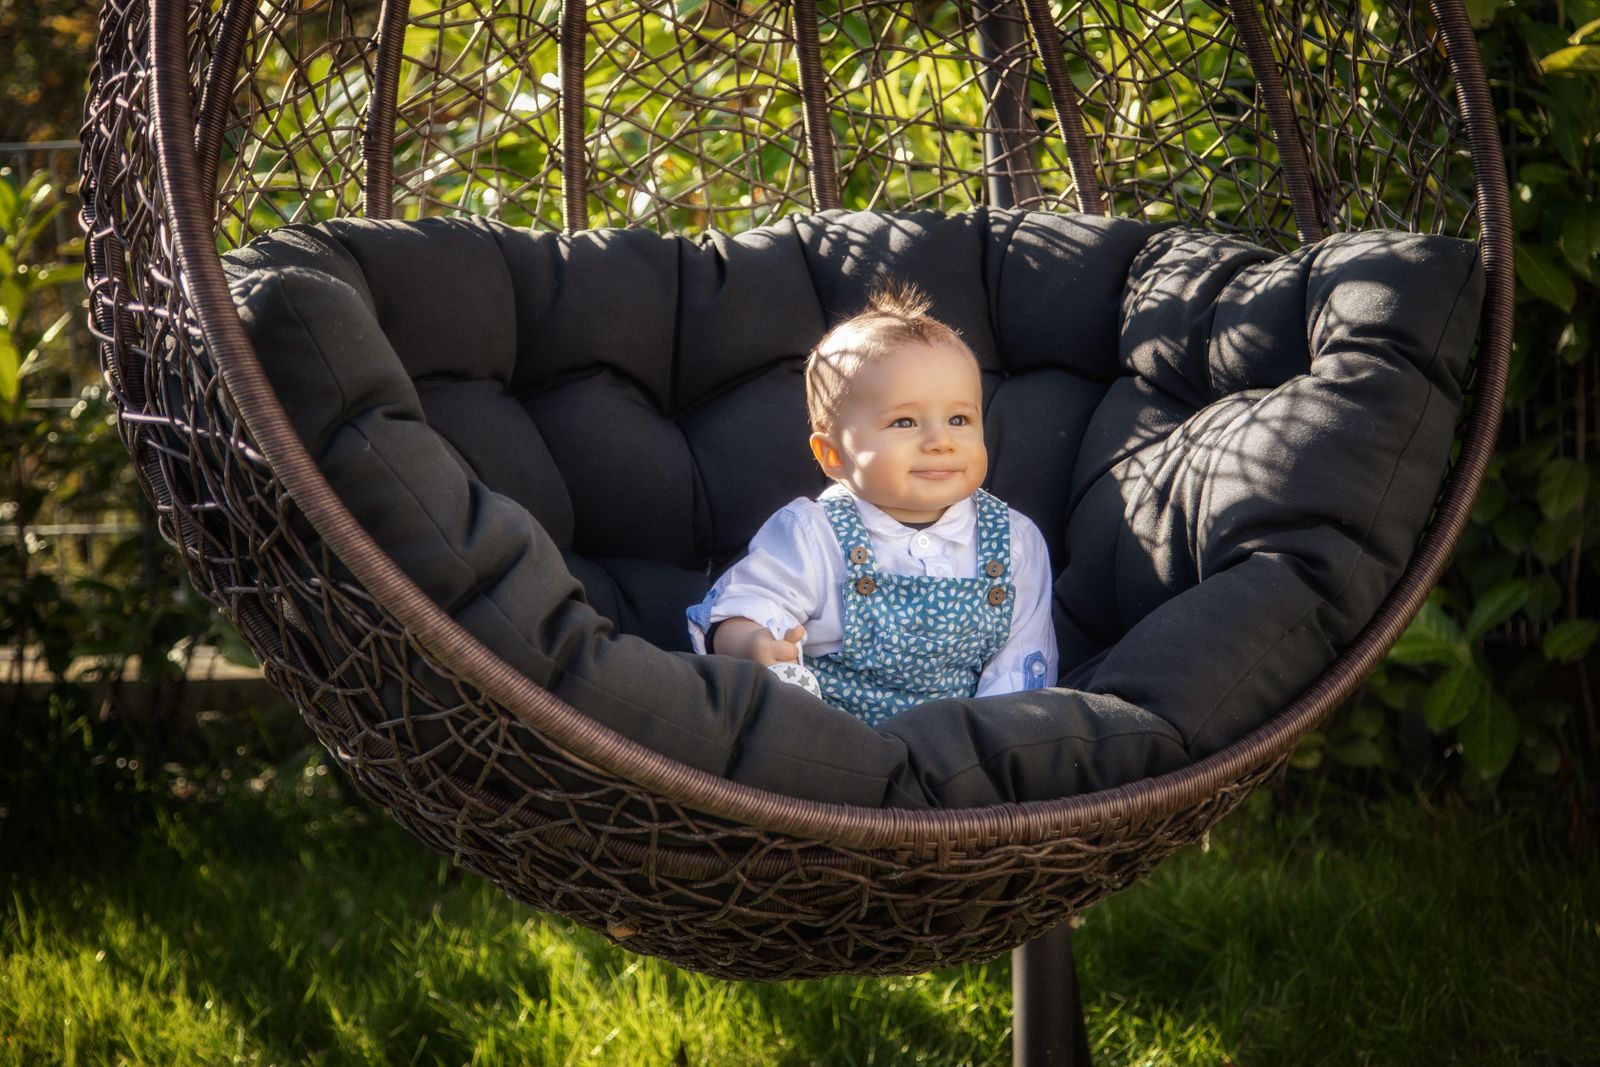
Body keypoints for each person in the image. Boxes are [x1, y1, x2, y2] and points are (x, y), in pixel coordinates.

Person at [685, 285, 1058, 726]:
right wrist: (751, 643)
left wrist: (992, 745)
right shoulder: (813, 533)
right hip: (834, 742)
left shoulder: (1014, 540)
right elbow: (747, 604)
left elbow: (1019, 664)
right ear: (834, 456)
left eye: (959, 419)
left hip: (963, 748)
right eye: (904, 421)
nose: (941, 441)